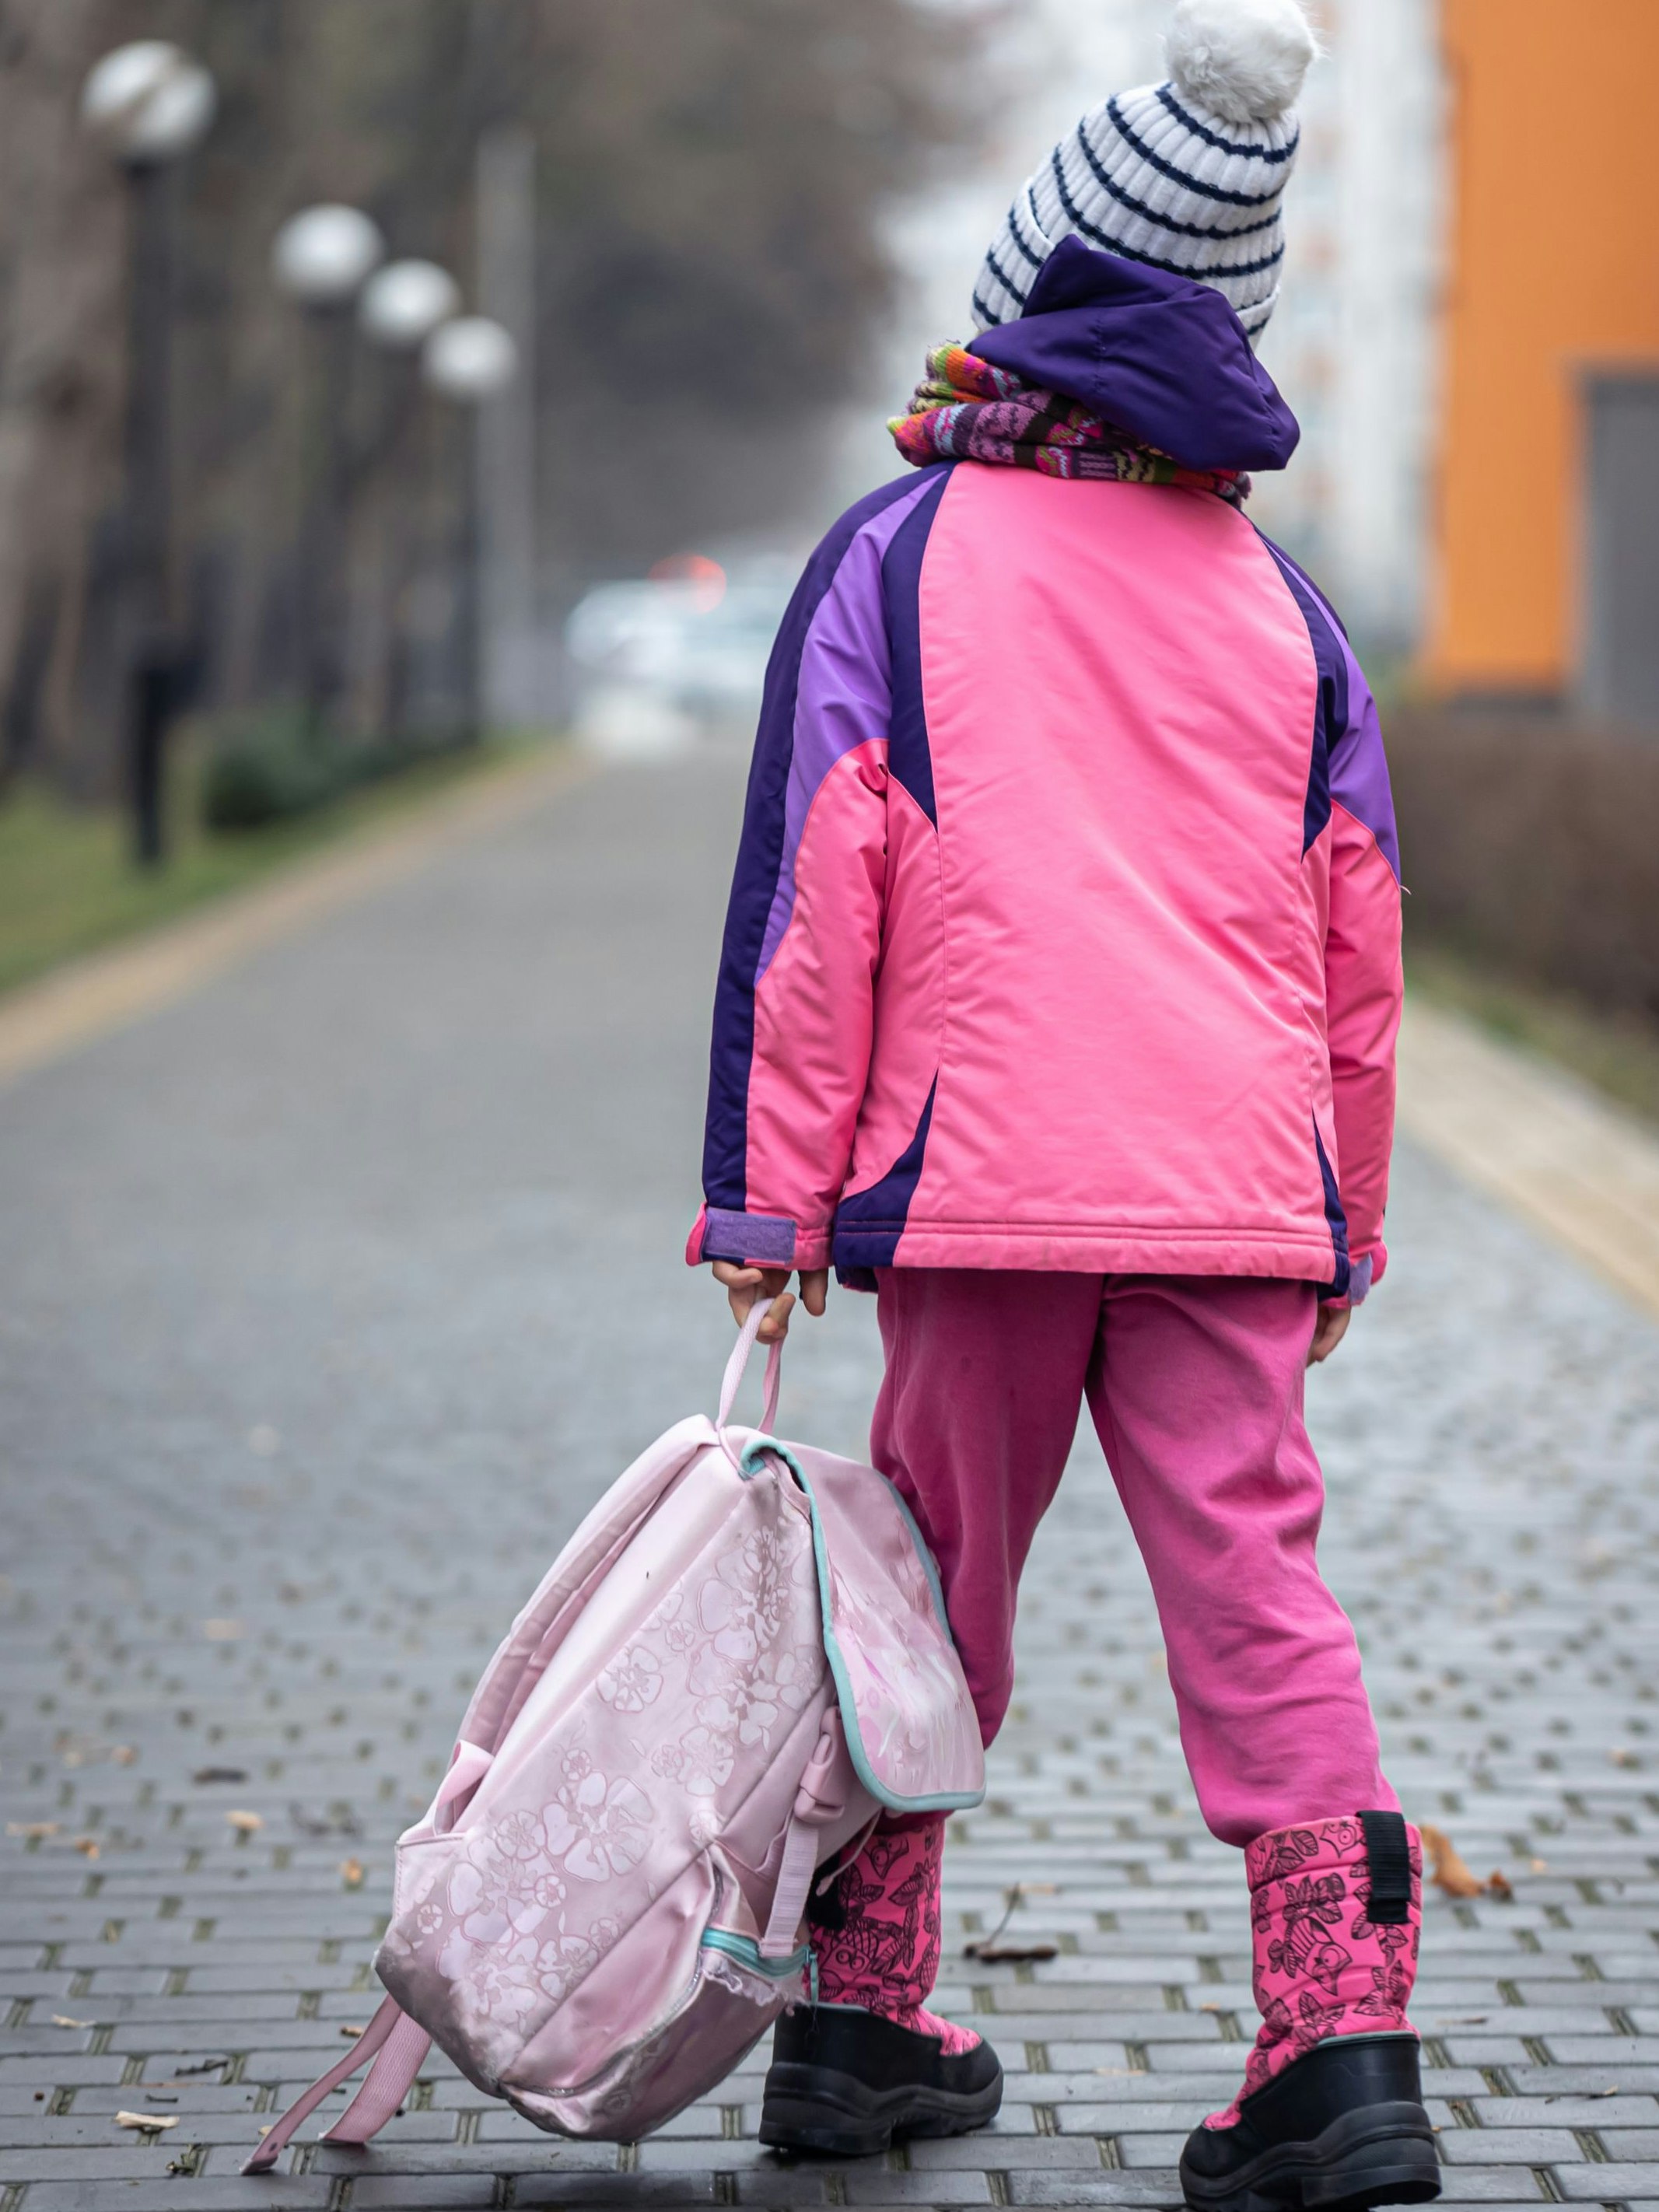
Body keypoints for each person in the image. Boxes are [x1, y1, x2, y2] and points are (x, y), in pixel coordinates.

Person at [688, 1, 1437, 2202]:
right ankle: (1341, 2048)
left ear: (1028, 296)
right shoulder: (1285, 614)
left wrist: (773, 1197)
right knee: (1261, 1597)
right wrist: (1346, 1224)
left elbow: (821, 887)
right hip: (1223, 1195)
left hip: (974, 1177)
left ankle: (859, 2017)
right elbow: (1355, 949)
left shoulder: (899, 561)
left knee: (919, 1591)